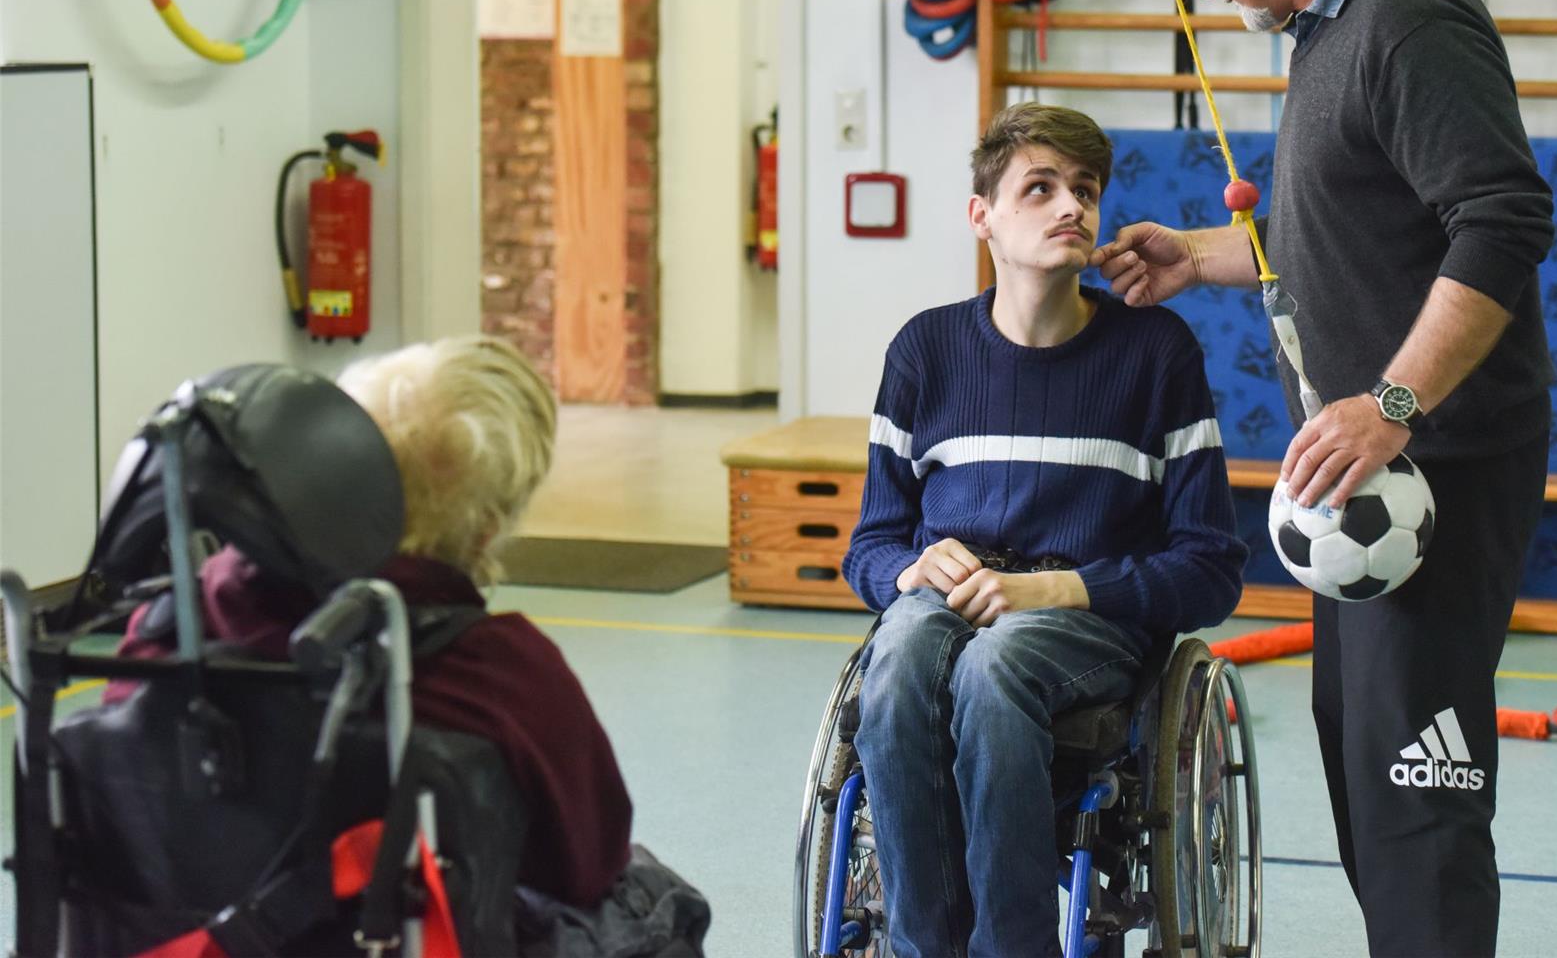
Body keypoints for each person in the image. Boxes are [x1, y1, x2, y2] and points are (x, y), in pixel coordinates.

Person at [1093, 0, 1555, 957]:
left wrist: (1393, 403)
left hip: (1427, 463)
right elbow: (1356, 218)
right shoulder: (1329, 24)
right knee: (1364, 753)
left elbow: (1499, 222)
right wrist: (1200, 255)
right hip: (1363, 473)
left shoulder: (1407, 11)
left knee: (1417, 782)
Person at [107, 337, 696, 943]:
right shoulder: (499, 670)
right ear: (486, 529)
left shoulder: (172, 627)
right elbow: (590, 858)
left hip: (183, 934)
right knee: (651, 897)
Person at [843, 101, 1248, 956]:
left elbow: (1210, 569)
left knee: (997, 666)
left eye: (1085, 189)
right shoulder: (925, 351)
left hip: (1086, 618)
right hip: (947, 603)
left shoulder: (1156, 353)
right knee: (904, 650)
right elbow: (869, 548)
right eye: (1041, 187)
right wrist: (909, 570)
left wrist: (1055, 588)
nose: (1072, 206)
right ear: (982, 215)